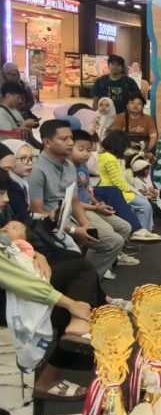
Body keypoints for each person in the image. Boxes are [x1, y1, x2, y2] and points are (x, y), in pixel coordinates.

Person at [0, 171, 101, 400]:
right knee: (76, 296)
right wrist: (71, 304)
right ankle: (50, 377)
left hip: (15, 285)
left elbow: (10, 247)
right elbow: (20, 281)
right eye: (1, 193)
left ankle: (80, 325)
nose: (6, 199)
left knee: (78, 276)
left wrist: (37, 255)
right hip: (9, 298)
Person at [29, 120, 130, 277]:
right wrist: (75, 230)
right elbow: (38, 215)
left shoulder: (68, 165)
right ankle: (85, 280)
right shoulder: (37, 170)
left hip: (71, 218)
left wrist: (85, 224)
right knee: (112, 241)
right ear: (47, 142)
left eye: (71, 138)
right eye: (64, 139)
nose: (70, 142)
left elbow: (74, 199)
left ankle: (87, 280)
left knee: (116, 236)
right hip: (52, 226)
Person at [96, 131, 161, 242]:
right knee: (145, 205)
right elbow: (118, 182)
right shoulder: (111, 159)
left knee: (140, 203)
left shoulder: (102, 155)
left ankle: (141, 231)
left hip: (109, 190)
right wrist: (131, 191)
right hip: (113, 191)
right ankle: (142, 232)